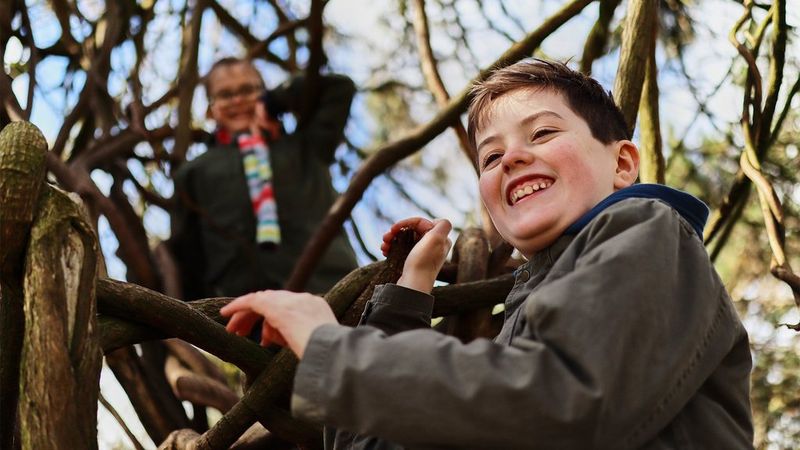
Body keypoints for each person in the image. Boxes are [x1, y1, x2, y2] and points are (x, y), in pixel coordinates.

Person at [220, 59, 754, 449]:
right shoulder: (524, 316)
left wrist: (329, 348)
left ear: (622, 165)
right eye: (490, 155)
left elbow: (562, 402)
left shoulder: (648, 232)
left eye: (543, 132)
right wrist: (409, 292)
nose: (512, 157)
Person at [170, 57, 358, 299]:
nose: (238, 100)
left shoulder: (305, 146)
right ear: (210, 109)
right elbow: (189, 258)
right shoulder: (194, 173)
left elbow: (339, 87)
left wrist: (276, 101)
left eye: (248, 90)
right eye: (225, 95)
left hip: (332, 290)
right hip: (245, 311)